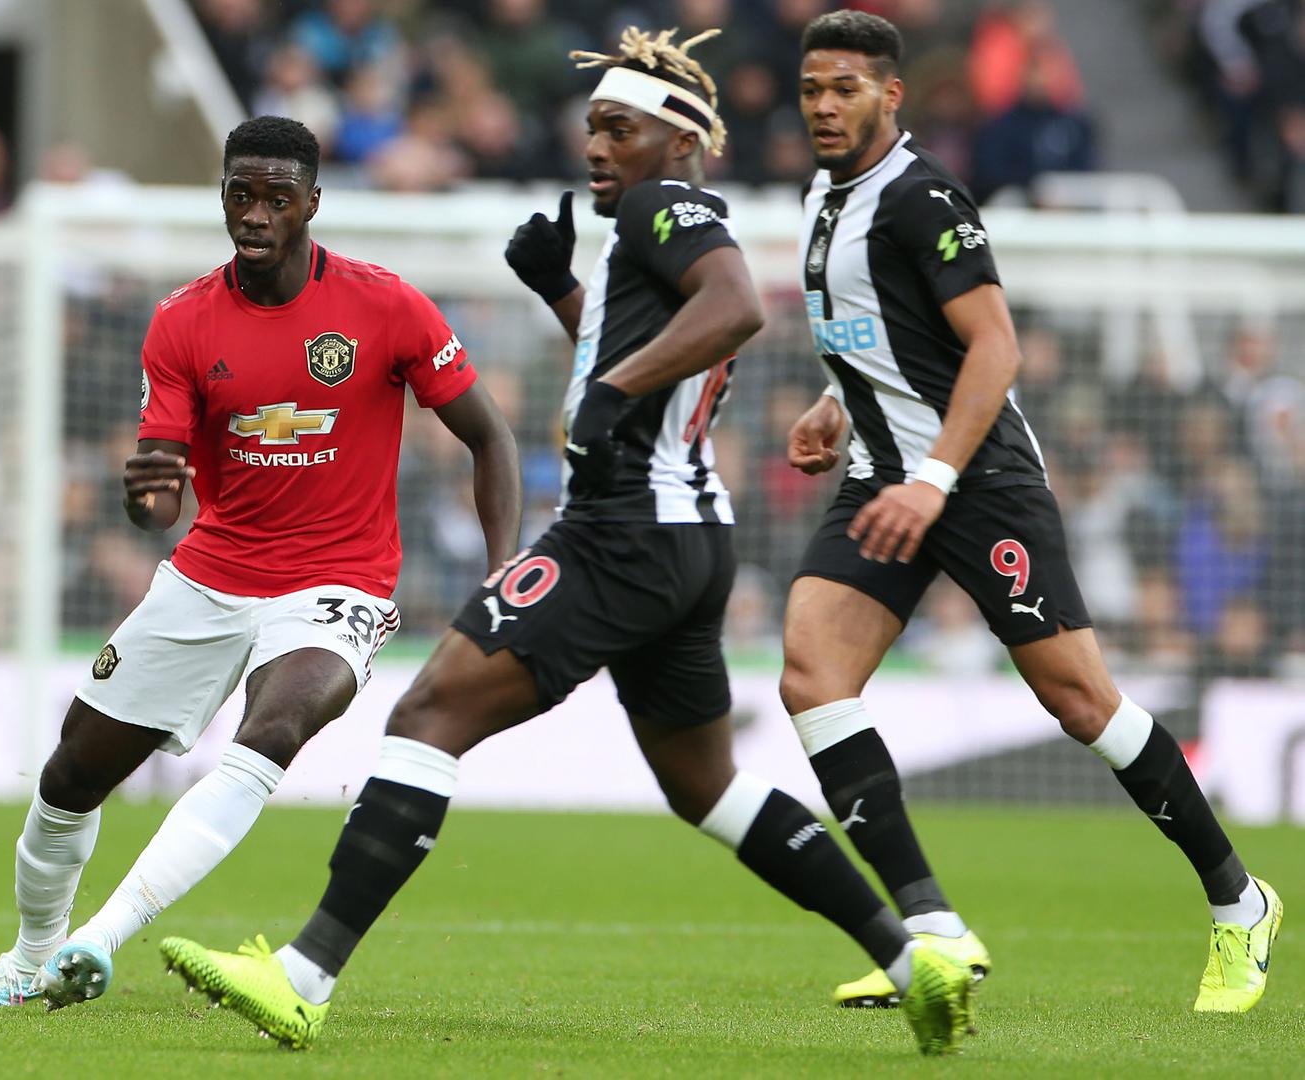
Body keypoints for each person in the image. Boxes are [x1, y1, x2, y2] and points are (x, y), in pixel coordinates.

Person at [158, 28, 975, 1057]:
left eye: (617, 128)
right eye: (589, 126)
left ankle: (303, 975)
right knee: (706, 787)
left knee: (426, 714)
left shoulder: (660, 205)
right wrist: (565, 299)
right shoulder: (657, 225)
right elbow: (666, 345)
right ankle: (914, 964)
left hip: (619, 534)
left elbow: (731, 314)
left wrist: (613, 390)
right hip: (685, 540)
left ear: (675, 141)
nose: (594, 145)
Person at [0, 116, 521, 1010]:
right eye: (239, 195)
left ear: (312, 205)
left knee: (275, 728)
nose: (255, 214)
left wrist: (502, 571)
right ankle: (28, 959)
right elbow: (158, 508)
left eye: (276, 198)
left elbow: (492, 439)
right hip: (211, 574)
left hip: (338, 583)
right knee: (69, 775)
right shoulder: (181, 321)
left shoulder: (387, 306)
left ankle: (100, 938)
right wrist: (144, 495)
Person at [783, 10, 1279, 1012]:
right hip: (882, 474)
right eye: (810, 89)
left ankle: (1238, 901)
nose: (823, 106)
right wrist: (837, 402)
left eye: (844, 88)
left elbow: (992, 347)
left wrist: (930, 480)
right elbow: (888, 332)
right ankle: (932, 933)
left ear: (891, 94)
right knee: (808, 672)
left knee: (1077, 701)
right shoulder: (821, 199)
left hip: (971, 478)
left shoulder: (923, 197)